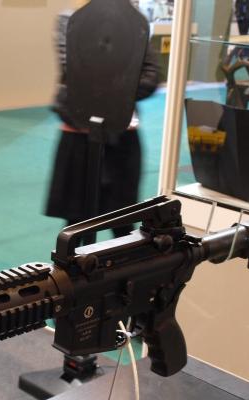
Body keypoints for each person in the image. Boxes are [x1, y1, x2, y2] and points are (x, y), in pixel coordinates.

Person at [45, 3, 160, 239]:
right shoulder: (72, 19)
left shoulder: (132, 21)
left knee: (122, 219)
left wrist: (111, 98)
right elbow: (75, 71)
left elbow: (151, 76)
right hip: (80, 133)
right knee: (76, 224)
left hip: (121, 134)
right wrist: (119, 91)